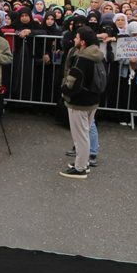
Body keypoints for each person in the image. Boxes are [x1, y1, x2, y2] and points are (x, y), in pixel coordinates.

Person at [58, 25, 107, 178]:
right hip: (93, 100)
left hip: (79, 103)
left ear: (83, 42)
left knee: (80, 137)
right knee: (84, 133)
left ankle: (80, 168)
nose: (74, 39)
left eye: (77, 37)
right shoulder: (98, 54)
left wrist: (64, 91)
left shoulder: (82, 59)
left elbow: (73, 82)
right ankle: (83, 163)